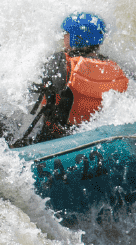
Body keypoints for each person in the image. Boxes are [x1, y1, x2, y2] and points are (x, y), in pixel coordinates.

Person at [21, 12, 129, 146]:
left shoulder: (61, 62)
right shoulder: (115, 68)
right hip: (92, 140)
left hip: (54, 141)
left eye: (66, 33)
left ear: (75, 37)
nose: (63, 36)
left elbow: (34, 89)